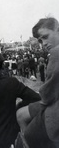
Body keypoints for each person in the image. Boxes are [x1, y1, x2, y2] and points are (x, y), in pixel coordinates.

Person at [0, 51, 41, 148]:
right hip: (6, 140)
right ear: (2, 66)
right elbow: (35, 97)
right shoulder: (12, 83)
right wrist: (19, 107)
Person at [16, 17, 59, 148]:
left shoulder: (56, 52)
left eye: (45, 37)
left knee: (21, 117)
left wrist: (42, 96)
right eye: (40, 40)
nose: (43, 43)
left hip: (56, 105)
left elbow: (49, 92)